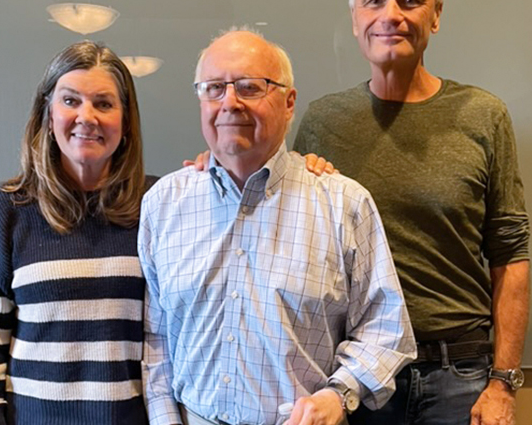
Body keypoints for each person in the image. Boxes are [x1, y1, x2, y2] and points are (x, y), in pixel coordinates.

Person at [294, 0, 530, 425]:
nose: (391, 15)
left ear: (436, 15)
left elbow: (511, 253)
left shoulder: (483, 116)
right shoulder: (322, 121)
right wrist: (212, 165)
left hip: (458, 377)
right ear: (355, 17)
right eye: (374, 0)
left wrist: (503, 382)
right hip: (356, 378)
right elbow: (282, 228)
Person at [138, 29, 416, 425]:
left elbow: (387, 329)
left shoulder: (344, 204)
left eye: (250, 87)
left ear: (288, 103)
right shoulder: (164, 205)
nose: (229, 103)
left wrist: (338, 397)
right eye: (214, 88)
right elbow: (157, 340)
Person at [0, 41, 156, 424]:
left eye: (104, 103)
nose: (87, 116)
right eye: (71, 101)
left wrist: (307, 175)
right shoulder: (8, 210)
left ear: (126, 121)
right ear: (48, 114)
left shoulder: (158, 205)